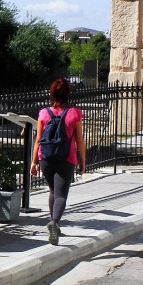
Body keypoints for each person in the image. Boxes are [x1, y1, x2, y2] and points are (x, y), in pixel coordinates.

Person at [30, 78, 86, 245]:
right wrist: (83, 160)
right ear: (68, 94)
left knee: (53, 191)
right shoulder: (74, 113)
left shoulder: (43, 113)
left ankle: (55, 223)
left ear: (51, 94)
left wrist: (34, 162)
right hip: (66, 158)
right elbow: (80, 140)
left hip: (46, 158)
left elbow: (38, 139)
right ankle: (54, 222)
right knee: (61, 195)